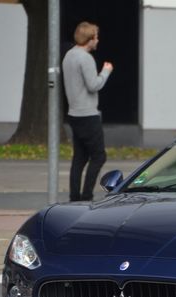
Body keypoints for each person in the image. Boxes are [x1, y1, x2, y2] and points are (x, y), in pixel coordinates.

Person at [62, 21, 113, 201]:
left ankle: (74, 197)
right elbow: (94, 85)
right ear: (89, 39)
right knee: (99, 156)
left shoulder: (69, 55)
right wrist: (106, 72)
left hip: (74, 114)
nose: (97, 41)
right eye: (96, 37)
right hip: (88, 115)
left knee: (80, 158)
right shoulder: (85, 58)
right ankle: (86, 196)